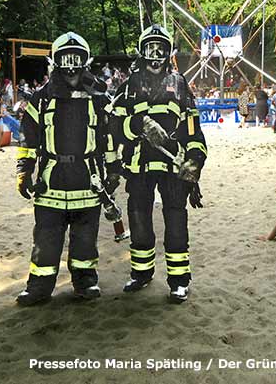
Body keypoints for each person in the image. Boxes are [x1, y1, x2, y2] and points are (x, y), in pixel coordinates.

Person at [14, 32, 120, 306]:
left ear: (86, 61)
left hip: (88, 178)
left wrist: (114, 170)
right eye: (65, 58)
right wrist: (24, 170)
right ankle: (39, 287)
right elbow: (28, 136)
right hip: (51, 179)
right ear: (55, 61)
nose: (71, 66)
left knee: (85, 238)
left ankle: (85, 282)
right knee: (46, 237)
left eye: (77, 59)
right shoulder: (41, 99)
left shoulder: (99, 98)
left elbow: (109, 136)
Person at [110, 25, 207, 303]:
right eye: (150, 48)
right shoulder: (127, 87)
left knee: (176, 221)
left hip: (173, 168)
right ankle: (141, 274)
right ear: (141, 51)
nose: (155, 55)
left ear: (169, 52)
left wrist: (195, 161)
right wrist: (137, 125)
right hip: (139, 167)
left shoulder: (179, 83)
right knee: (139, 219)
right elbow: (113, 126)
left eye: (160, 48)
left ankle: (179, 281)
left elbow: (193, 130)